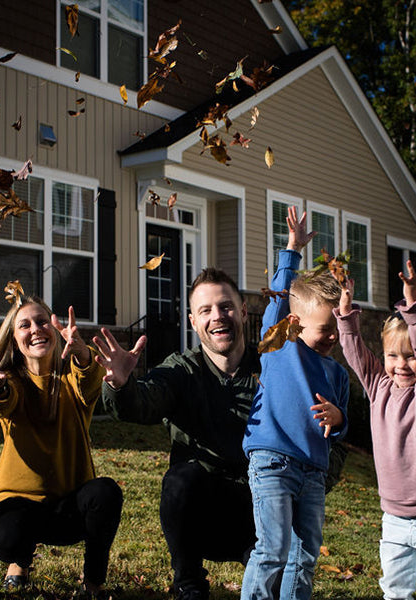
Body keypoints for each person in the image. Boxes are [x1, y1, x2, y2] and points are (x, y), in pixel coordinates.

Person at [95, 207, 325, 600]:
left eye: (226, 307)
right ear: (192, 321)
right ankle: (188, 584)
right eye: (205, 310)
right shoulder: (181, 369)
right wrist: (120, 384)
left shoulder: (273, 366)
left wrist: (291, 251)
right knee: (180, 479)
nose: (217, 317)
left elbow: (319, 431)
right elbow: (143, 403)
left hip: (263, 509)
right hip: (200, 512)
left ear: (243, 313)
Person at [0, 292, 122, 598]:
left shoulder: (73, 379)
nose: (35, 329)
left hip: (68, 506)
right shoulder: (11, 381)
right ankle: (19, 561)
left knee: (106, 492)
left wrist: (83, 354)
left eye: (42, 321)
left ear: (55, 330)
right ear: (14, 339)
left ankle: (93, 581)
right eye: (25, 325)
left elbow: (89, 380)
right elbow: (2, 403)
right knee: (8, 540)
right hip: (20, 503)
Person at [335, 260, 416, 600]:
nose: (401, 365)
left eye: (409, 356)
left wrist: (414, 302)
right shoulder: (378, 386)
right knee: (396, 592)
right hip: (394, 519)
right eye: (392, 355)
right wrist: (345, 311)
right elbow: (354, 351)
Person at [240, 246, 349, 600]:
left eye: (338, 327)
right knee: (272, 550)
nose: (333, 336)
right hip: (272, 462)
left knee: (304, 556)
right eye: (325, 329)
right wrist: (293, 250)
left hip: (313, 473)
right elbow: (281, 293)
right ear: (295, 322)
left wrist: (339, 418)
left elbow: (342, 426)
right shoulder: (280, 345)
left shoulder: (338, 373)